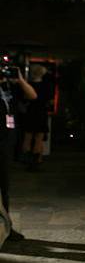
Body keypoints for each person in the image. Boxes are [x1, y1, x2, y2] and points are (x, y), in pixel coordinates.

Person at [0, 65, 37, 241]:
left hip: (6, 143)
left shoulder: (10, 86)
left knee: (4, 188)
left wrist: (20, 80)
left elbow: (33, 96)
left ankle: (6, 228)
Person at [21, 64, 53, 170]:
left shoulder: (28, 85)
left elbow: (24, 99)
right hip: (40, 112)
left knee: (28, 137)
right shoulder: (46, 85)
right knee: (39, 138)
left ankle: (27, 160)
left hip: (31, 112)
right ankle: (35, 161)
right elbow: (48, 100)